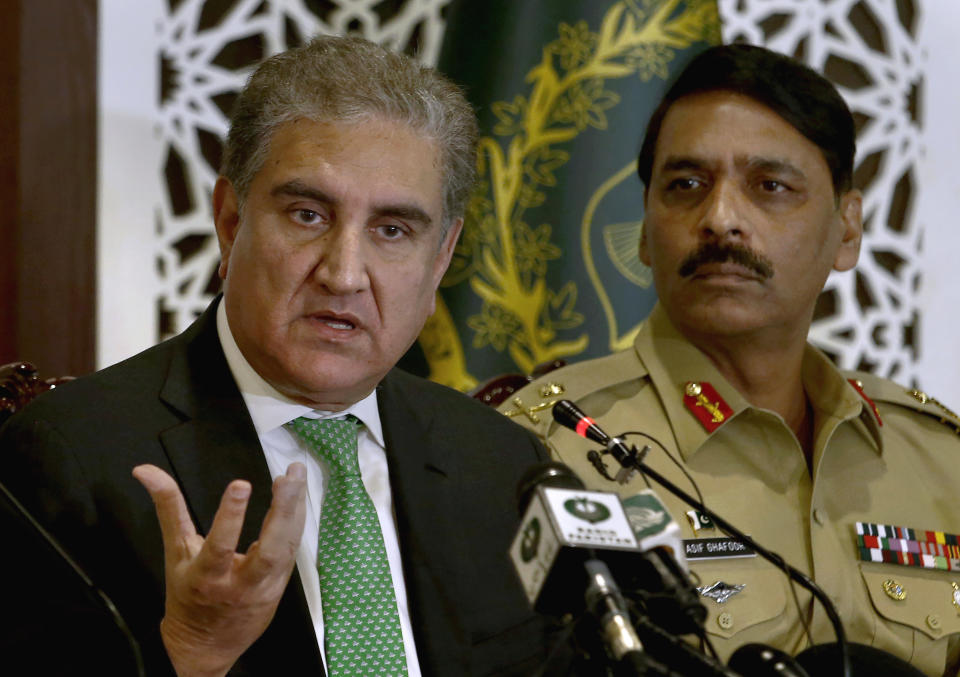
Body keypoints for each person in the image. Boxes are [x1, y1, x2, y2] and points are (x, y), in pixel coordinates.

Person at [0, 35, 560, 676]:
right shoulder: (71, 459)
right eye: (307, 215)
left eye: (393, 230)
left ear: (439, 260)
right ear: (230, 221)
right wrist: (192, 656)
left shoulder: (503, 464)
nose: (345, 274)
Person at [499, 44, 960, 676]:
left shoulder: (939, 460)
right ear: (643, 227)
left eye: (770, 187)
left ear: (847, 230)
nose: (719, 219)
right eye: (685, 185)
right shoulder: (544, 450)